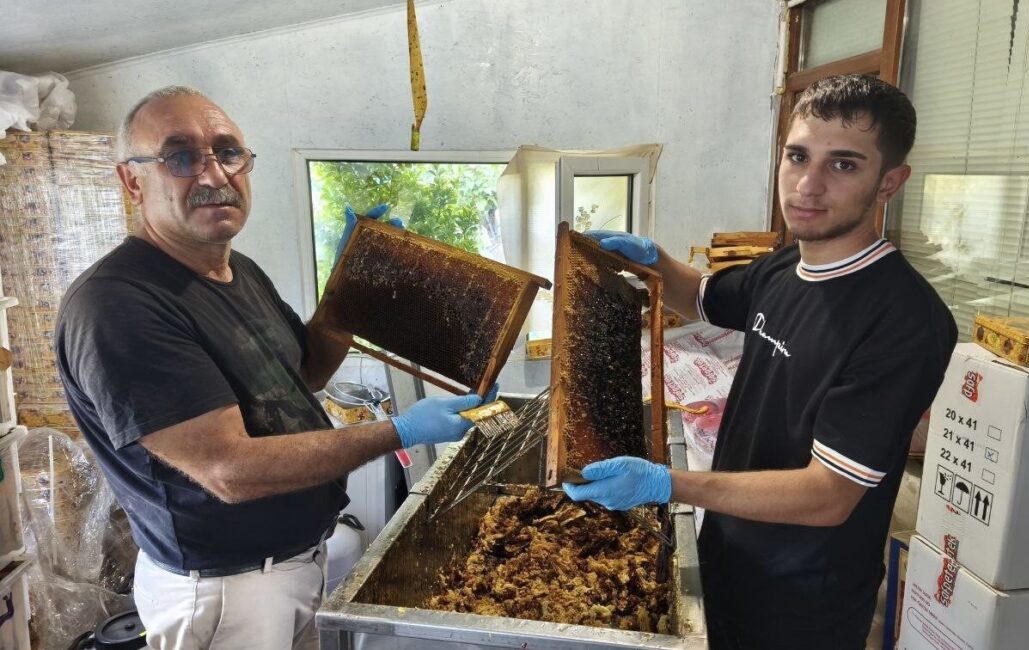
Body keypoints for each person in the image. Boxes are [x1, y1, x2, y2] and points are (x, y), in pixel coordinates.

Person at [54, 86, 488, 650]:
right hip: (226, 593)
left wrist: (349, 284)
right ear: (132, 181)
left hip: (288, 568)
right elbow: (227, 470)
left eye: (228, 152)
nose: (214, 175)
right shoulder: (119, 304)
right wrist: (400, 431)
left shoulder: (240, 271)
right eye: (181, 157)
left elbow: (302, 374)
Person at [563, 74, 958, 648]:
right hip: (730, 560)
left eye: (843, 165)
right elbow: (701, 296)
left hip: (801, 603)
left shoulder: (903, 320)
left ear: (889, 182)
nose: (808, 184)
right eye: (797, 156)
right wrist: (655, 262)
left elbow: (828, 495)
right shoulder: (784, 267)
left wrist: (667, 482)